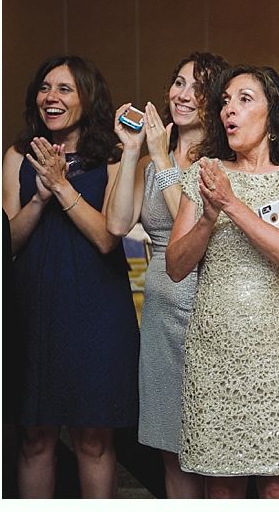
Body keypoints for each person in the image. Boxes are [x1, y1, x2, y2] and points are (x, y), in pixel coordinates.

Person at [165, 65, 279, 498]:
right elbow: (176, 266)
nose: (229, 111)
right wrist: (208, 217)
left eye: (244, 99)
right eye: (224, 102)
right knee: (221, 484)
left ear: (272, 113)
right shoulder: (204, 173)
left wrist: (232, 205)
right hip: (214, 350)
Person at [3, 55, 140, 498]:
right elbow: (5, 243)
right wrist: (40, 197)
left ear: (88, 98)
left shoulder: (114, 158)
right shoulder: (19, 156)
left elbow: (107, 239)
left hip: (96, 310)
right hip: (33, 308)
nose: (51, 97)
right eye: (45, 87)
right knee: (34, 437)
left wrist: (62, 186)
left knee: (93, 439)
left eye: (64, 88)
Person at [105, 52, 230, 498]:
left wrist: (162, 159)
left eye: (198, 87)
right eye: (178, 82)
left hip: (207, 306)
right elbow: (117, 224)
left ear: (214, 100)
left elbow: (190, 230)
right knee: (170, 448)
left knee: (212, 449)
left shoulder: (223, 162)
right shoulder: (149, 155)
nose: (183, 94)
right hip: (159, 313)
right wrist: (133, 150)